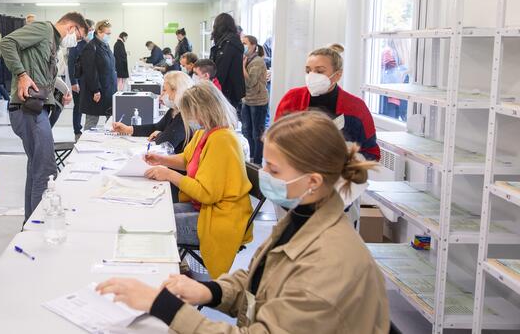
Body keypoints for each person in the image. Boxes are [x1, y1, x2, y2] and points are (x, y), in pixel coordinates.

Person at [96, 111, 389, 334]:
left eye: (273, 169)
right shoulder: (304, 218)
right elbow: (259, 280)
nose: (264, 175)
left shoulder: (330, 262)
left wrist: (162, 306)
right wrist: (211, 291)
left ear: (312, 181)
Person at [141, 81, 254, 278]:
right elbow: (188, 160)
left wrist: (168, 174)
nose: (190, 118)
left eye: (192, 112)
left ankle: (162, 278)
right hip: (206, 208)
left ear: (205, 110)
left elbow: (206, 193)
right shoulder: (206, 133)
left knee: (158, 223)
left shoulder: (222, 140)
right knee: (156, 212)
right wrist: (161, 159)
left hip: (221, 217)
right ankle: (176, 271)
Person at [0, 10, 87, 220]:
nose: (77, 41)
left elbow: (44, 73)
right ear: (71, 28)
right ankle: (39, 225)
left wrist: (63, 91)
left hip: (37, 108)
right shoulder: (42, 29)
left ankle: (31, 222)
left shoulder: (53, 43)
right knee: (46, 169)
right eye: (79, 36)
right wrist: (21, 75)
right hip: (26, 109)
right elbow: (7, 43)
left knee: (37, 167)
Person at [275, 44, 380, 161]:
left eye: (319, 71)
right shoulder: (292, 98)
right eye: (308, 71)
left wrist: (347, 162)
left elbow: (371, 152)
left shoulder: (355, 107)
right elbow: (275, 138)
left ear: (338, 75)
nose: (311, 76)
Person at [112, 71, 193, 154]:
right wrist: (128, 129)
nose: (161, 94)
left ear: (176, 91)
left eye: (165, 90)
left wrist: (159, 134)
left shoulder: (184, 116)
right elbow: (155, 128)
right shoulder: (173, 111)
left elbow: (166, 143)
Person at [80, 20, 118, 130]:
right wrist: (95, 90)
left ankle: (109, 143)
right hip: (97, 92)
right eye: (107, 33)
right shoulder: (91, 47)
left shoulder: (105, 46)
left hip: (108, 90)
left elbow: (110, 67)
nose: (109, 36)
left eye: (110, 33)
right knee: (92, 120)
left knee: (111, 120)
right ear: (99, 32)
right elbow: (90, 71)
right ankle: (86, 145)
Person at [209, 13, 245, 115]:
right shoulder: (231, 42)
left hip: (226, 91)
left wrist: (213, 90)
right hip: (231, 91)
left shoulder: (227, 44)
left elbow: (220, 71)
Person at [241, 35, 269, 165]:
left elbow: (251, 82)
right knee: (246, 130)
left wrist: (242, 67)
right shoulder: (246, 59)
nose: (243, 45)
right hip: (247, 100)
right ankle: (251, 156)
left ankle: (257, 161)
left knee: (256, 132)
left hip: (258, 101)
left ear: (253, 45)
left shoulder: (257, 61)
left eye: (245, 43)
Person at [67, 20, 92, 135]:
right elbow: (71, 64)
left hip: (89, 82)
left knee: (89, 106)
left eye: (92, 30)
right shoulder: (75, 45)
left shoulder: (92, 45)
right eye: (90, 30)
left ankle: (88, 129)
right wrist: (73, 82)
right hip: (79, 81)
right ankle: (77, 130)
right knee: (78, 107)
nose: (91, 32)